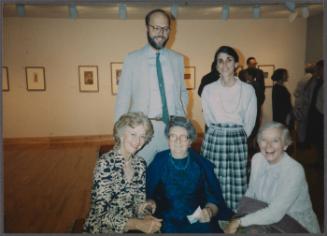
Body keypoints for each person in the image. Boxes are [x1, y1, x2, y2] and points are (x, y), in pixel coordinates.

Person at [115, 9, 188, 165]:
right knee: (140, 177)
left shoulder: (178, 60)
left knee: (170, 178)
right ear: (147, 28)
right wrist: (120, 134)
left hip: (171, 131)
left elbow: (182, 93)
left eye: (165, 28)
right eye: (156, 28)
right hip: (141, 133)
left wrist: (182, 124)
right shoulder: (132, 59)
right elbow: (123, 98)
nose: (160, 33)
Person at [224, 122, 321, 234]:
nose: (268, 146)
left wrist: (240, 222)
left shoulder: (294, 170)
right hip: (265, 212)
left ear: (285, 145)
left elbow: (275, 213)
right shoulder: (257, 159)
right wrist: (237, 214)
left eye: (275, 140)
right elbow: (251, 192)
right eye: (264, 140)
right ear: (259, 143)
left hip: (293, 221)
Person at [146, 116, 234, 233]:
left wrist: (209, 211)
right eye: (173, 136)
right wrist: (151, 203)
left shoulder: (201, 165)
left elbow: (214, 200)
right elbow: (149, 194)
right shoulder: (158, 161)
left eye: (183, 137)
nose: (177, 141)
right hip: (166, 221)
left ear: (189, 141)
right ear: (168, 140)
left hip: (197, 220)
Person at [83, 112, 162, 233]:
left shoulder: (140, 164)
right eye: (133, 134)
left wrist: (146, 212)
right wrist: (137, 224)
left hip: (131, 226)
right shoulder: (105, 164)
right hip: (103, 230)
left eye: (142, 136)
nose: (138, 141)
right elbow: (99, 216)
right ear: (121, 135)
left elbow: (138, 203)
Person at [201, 45, 257, 211]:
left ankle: (234, 216)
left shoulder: (247, 90)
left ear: (236, 64)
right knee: (214, 177)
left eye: (229, 60)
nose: (224, 64)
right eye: (220, 61)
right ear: (216, 65)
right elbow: (209, 118)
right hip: (214, 138)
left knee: (237, 179)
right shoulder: (208, 90)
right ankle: (214, 211)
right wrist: (220, 132)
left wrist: (236, 136)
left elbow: (250, 121)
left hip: (237, 140)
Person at [304, 60, 324, 162]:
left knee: (320, 138)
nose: (316, 71)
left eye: (318, 69)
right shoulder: (316, 80)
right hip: (315, 111)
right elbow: (306, 89)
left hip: (321, 114)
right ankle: (319, 160)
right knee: (316, 138)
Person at [293, 63, 316, 146]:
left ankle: (301, 141)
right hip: (304, 105)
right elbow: (310, 94)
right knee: (304, 125)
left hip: (299, 104)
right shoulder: (311, 79)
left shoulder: (303, 78)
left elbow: (296, 93)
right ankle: (303, 143)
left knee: (301, 125)